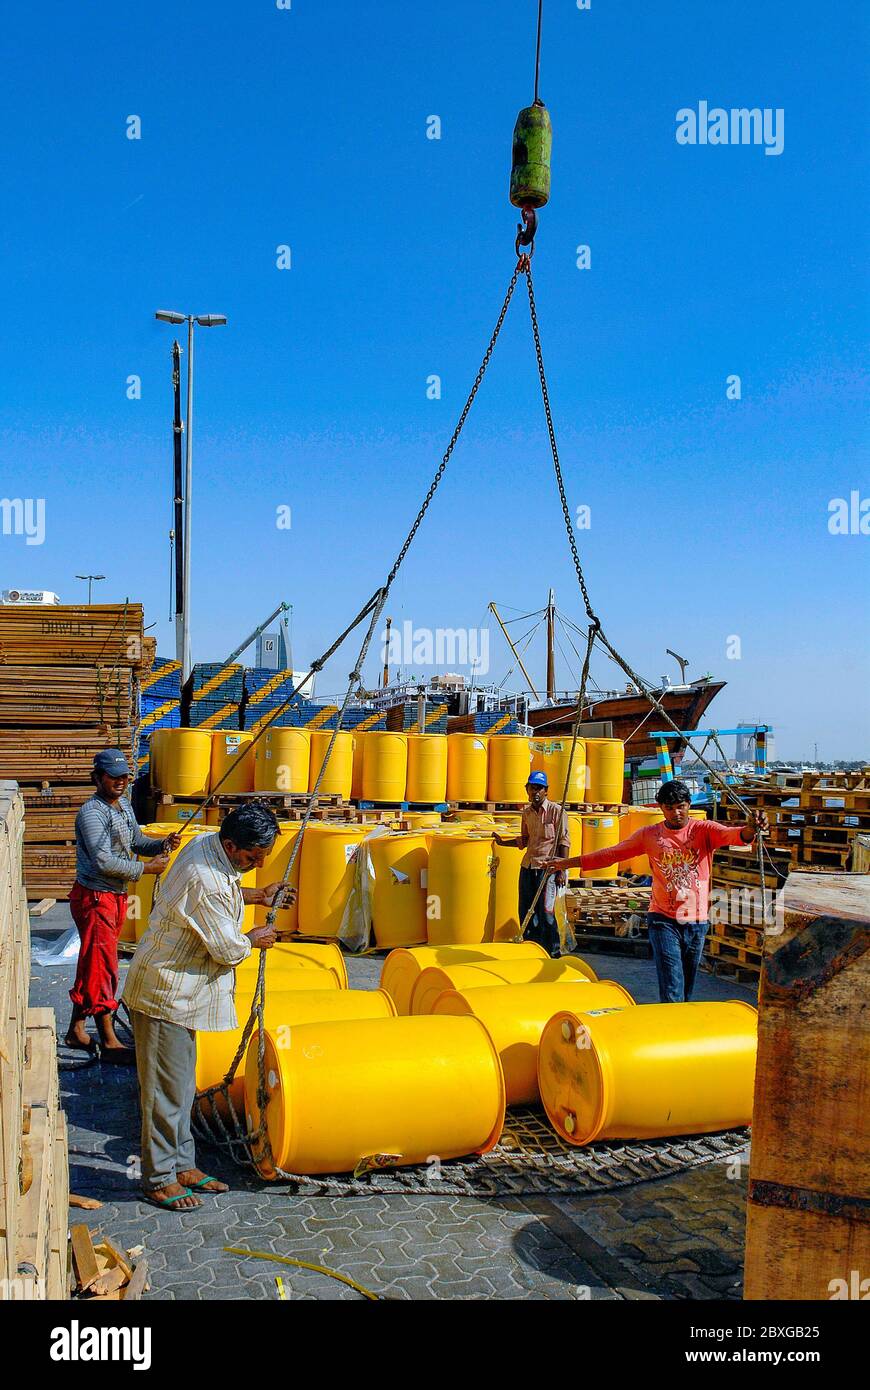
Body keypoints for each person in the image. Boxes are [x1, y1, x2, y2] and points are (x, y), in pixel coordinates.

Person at [122, 801, 295, 1211]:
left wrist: (257, 893)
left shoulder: (206, 846)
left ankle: (183, 1164)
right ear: (232, 844)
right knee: (164, 1094)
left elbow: (224, 890)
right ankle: (158, 1178)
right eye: (253, 857)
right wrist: (254, 938)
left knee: (181, 1088)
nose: (260, 863)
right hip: (164, 994)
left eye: (265, 856)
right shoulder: (206, 879)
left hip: (179, 994)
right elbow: (225, 948)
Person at [548, 779, 769, 1002]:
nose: (676, 813)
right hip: (663, 920)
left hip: (697, 921)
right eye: (669, 808)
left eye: (681, 806)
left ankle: (677, 1027)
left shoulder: (704, 830)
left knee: (687, 987)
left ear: (688, 804)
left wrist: (752, 827)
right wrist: (567, 863)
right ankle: (671, 1024)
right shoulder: (649, 835)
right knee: (672, 985)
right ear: (661, 808)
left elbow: (736, 835)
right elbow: (612, 854)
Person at [67, 748, 181, 1061]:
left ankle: (76, 1030)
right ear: (97, 778)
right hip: (95, 898)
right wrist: (146, 869)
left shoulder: (124, 807)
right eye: (113, 777)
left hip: (114, 897)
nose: (120, 782)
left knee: (93, 963)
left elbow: (137, 842)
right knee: (104, 967)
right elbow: (103, 861)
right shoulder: (92, 813)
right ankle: (108, 1039)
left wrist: (161, 845)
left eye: (124, 777)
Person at [492, 769, 570, 958]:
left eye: (539, 788)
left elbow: (564, 841)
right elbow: (525, 840)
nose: (535, 792)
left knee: (546, 913)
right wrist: (503, 842)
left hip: (548, 869)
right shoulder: (526, 814)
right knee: (526, 909)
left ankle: (552, 953)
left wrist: (561, 870)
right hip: (528, 867)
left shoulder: (557, 811)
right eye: (531, 788)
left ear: (546, 791)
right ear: (526, 789)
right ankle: (531, 949)